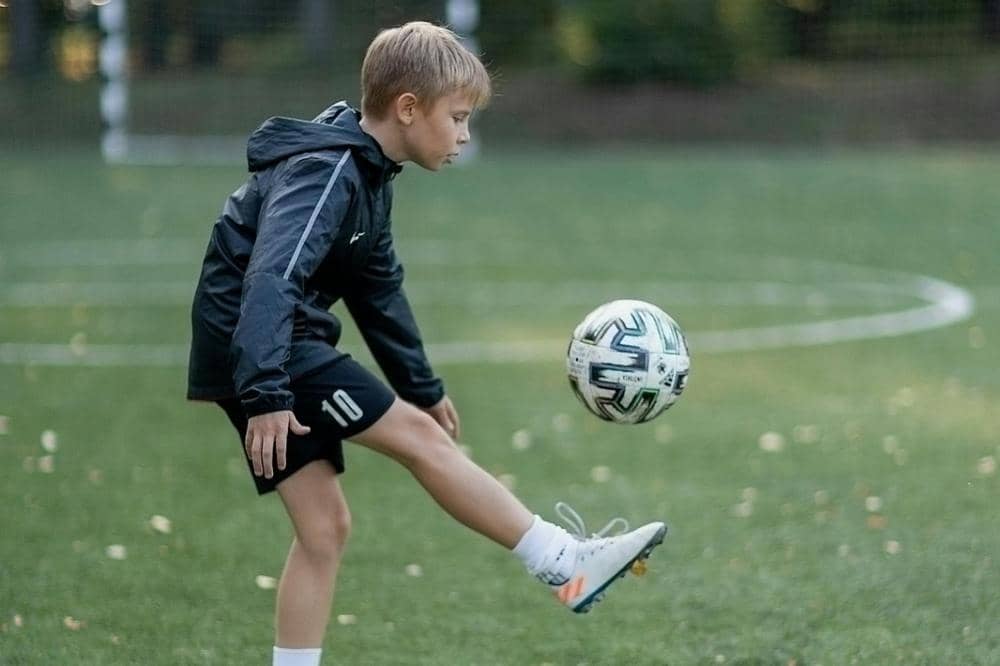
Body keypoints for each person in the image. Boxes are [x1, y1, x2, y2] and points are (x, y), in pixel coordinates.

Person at [187, 21, 667, 666]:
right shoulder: (327, 171)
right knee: (417, 439)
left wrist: (422, 385)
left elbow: (377, 288)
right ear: (408, 109)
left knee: (325, 530)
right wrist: (266, 390)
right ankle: (563, 562)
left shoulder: (367, 171)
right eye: (459, 117)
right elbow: (272, 277)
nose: (465, 136)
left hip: (259, 345)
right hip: (264, 344)